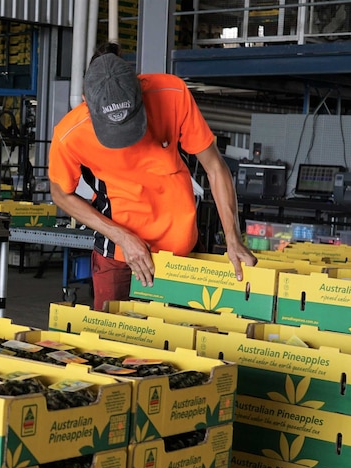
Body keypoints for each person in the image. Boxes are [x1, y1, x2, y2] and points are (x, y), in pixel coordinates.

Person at [48, 43, 256, 310]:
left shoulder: (171, 94)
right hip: (119, 256)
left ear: (139, 87)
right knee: (111, 342)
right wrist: (122, 236)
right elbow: (59, 193)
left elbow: (215, 167)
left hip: (183, 250)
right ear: (86, 101)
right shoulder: (70, 135)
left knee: (184, 340)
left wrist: (233, 238)